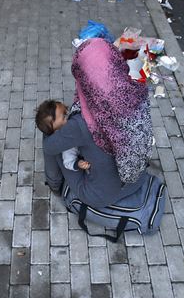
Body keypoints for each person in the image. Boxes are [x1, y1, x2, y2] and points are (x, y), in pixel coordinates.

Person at [42, 37, 153, 209]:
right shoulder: (136, 93)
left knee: (49, 136)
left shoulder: (80, 123)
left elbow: (50, 147)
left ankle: (55, 185)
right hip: (136, 179)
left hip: (100, 195)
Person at [35, 99, 91, 172]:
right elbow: (68, 162)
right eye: (64, 116)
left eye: (66, 108)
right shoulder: (68, 146)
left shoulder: (71, 115)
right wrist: (78, 164)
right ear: (58, 132)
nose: (68, 114)